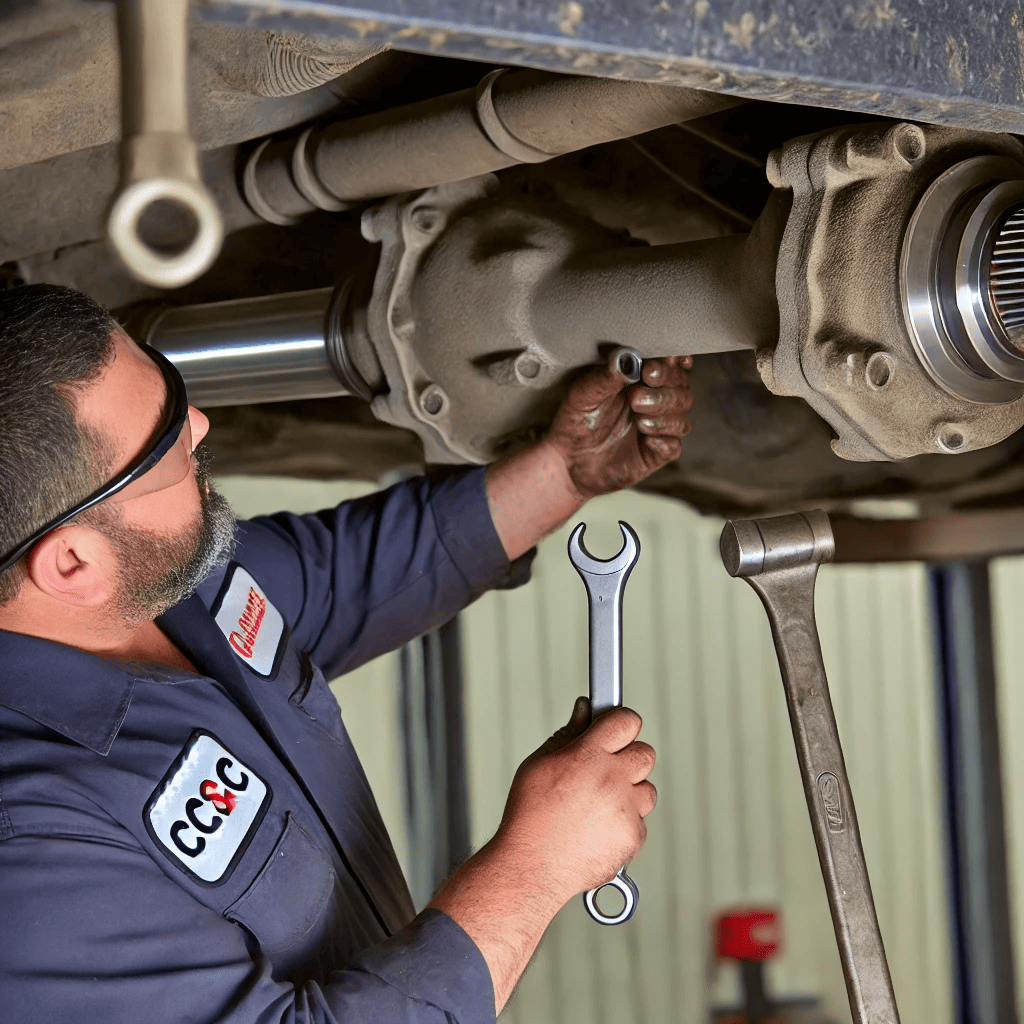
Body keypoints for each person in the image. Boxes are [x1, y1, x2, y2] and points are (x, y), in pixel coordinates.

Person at [0, 284, 693, 1023]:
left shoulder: (170, 582)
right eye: (161, 446)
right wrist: (533, 866)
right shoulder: (29, 850)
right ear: (72, 565)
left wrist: (563, 471)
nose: (198, 426)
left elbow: (349, 578)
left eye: (171, 391)